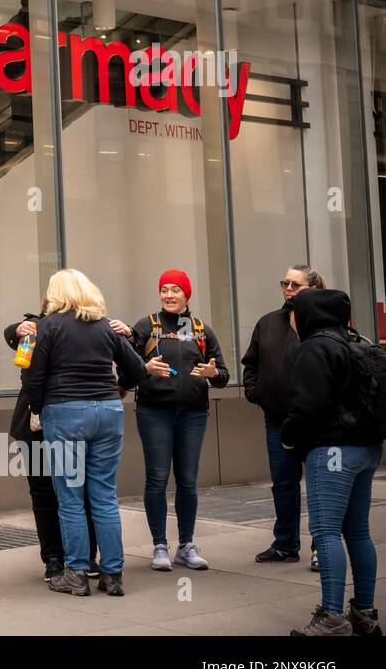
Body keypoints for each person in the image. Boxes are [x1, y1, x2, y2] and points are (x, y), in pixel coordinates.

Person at [23, 269, 148, 597]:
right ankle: (113, 574)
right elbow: (136, 371)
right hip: (108, 411)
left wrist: (40, 408)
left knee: (70, 498)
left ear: (55, 294)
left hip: (65, 413)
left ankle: (76, 573)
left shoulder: (47, 327)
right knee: (104, 495)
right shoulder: (107, 327)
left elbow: (32, 377)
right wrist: (114, 388)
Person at [282, 288, 383, 636]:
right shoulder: (357, 343)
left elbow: (308, 406)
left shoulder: (315, 348)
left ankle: (332, 616)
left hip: (334, 451)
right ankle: (365, 613)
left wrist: (290, 437)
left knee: (325, 532)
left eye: (293, 313)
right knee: (358, 532)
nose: (290, 320)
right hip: (367, 449)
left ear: (308, 314)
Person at [122, 269, 229, 572]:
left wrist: (214, 374)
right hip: (154, 412)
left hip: (193, 414)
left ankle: (186, 545)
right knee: (157, 478)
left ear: (186, 294)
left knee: (188, 480)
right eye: (164, 289)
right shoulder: (147, 326)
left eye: (175, 290)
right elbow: (126, 372)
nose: (169, 295)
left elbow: (222, 375)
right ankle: (159, 546)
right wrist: (145, 368)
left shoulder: (200, 330)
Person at [5, 310, 98, 583]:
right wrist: (18, 329)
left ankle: (84, 555)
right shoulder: (37, 326)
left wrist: (129, 332)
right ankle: (54, 559)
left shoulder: (88, 326)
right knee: (44, 492)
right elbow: (12, 332)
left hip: (73, 420)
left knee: (80, 489)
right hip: (34, 424)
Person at [243, 265, 324, 568]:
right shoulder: (268, 323)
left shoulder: (322, 325)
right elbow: (250, 364)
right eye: (285, 283)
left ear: (313, 289)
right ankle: (285, 544)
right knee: (283, 482)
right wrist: (255, 392)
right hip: (277, 419)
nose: (288, 289)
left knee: (318, 484)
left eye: (296, 284)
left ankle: (322, 547)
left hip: (316, 421)